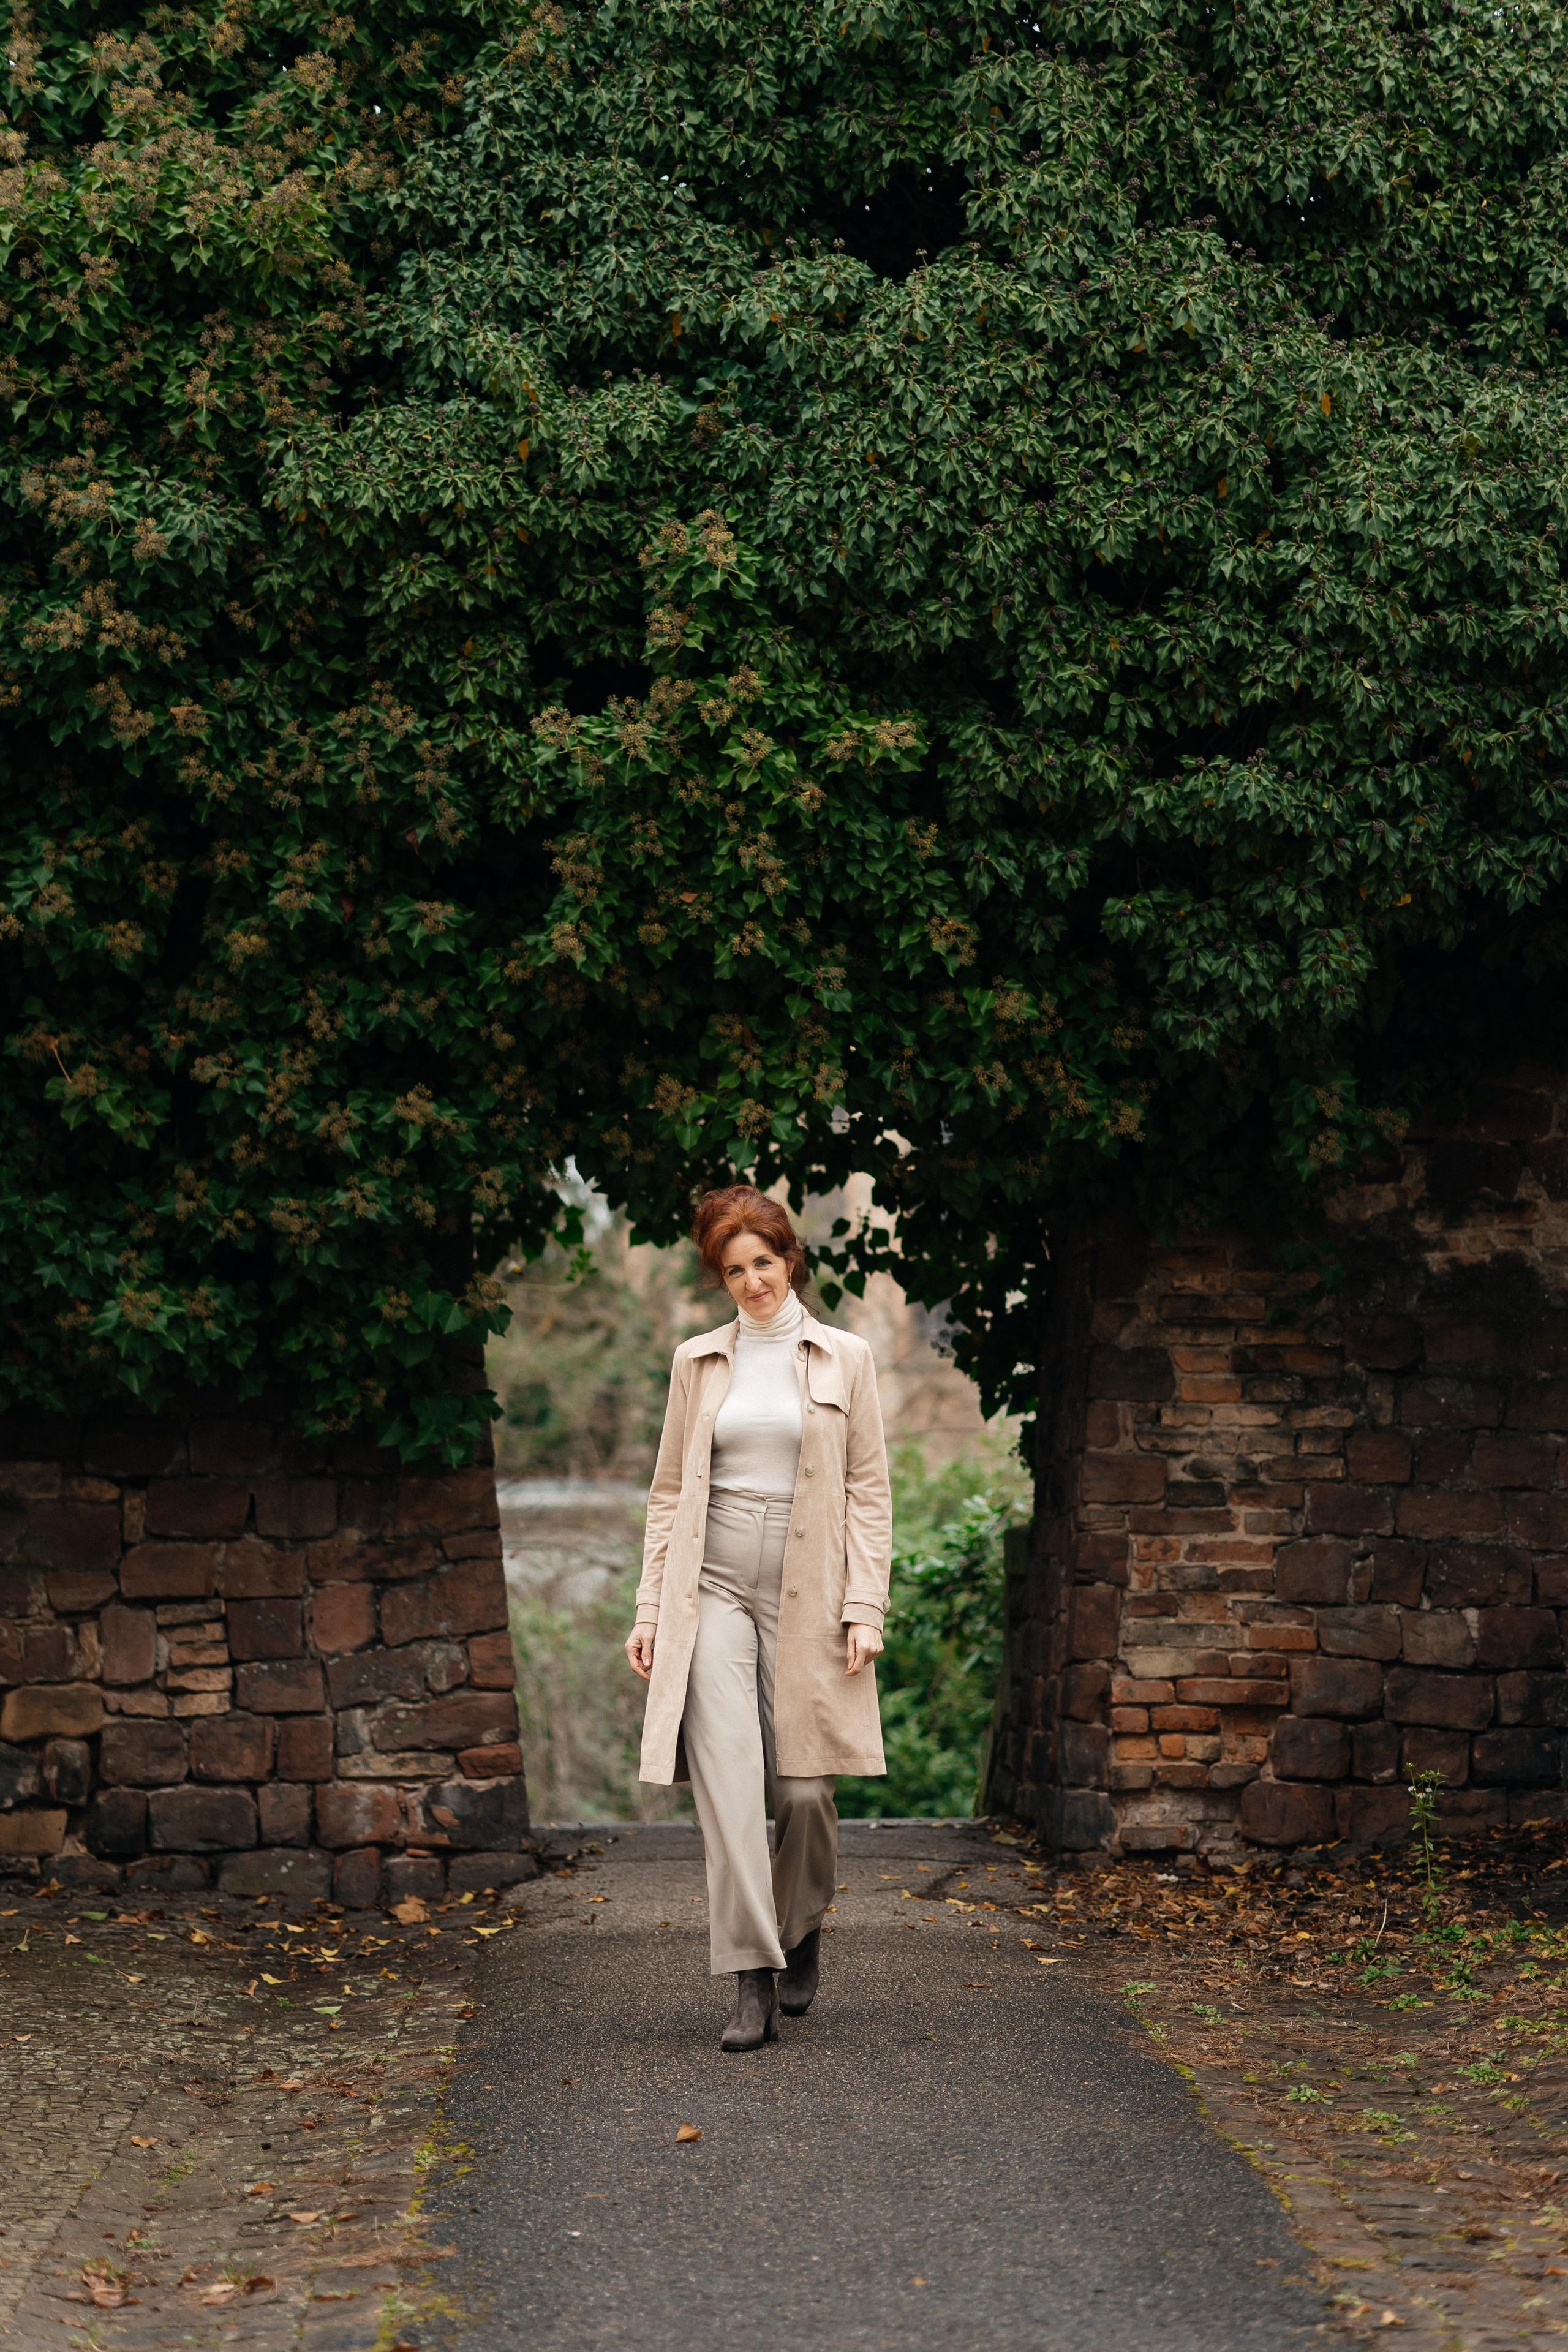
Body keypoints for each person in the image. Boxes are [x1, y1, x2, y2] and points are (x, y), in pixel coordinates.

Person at [625, 1184, 891, 2051]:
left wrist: (865, 1605)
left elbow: (867, 1491)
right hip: (713, 1586)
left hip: (811, 1588)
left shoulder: (845, 1357)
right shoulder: (697, 1362)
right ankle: (752, 1979)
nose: (751, 1283)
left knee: (806, 1792)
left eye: (763, 1264)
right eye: (733, 1270)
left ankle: (801, 1921)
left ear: (790, 1261)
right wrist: (650, 1609)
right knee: (732, 1787)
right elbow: (669, 1493)